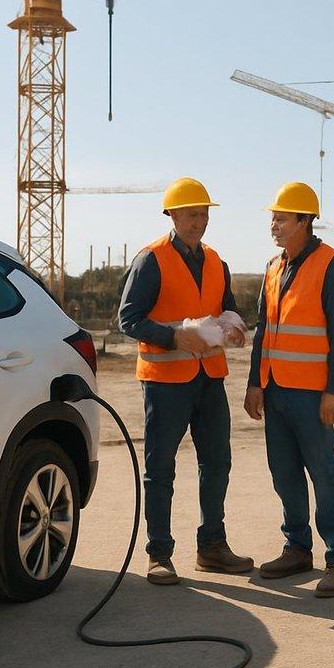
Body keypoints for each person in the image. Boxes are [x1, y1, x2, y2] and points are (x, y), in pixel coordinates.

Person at [118, 177, 253, 585]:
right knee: (161, 468)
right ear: (173, 215)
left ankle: (211, 547)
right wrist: (175, 336)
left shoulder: (216, 262)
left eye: (204, 214)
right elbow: (128, 319)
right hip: (165, 381)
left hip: (209, 378)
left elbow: (225, 308)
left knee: (217, 463)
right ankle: (159, 554)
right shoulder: (151, 260)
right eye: (192, 214)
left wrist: (234, 325)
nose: (200, 222)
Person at [244, 182, 334, 598]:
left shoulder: (333, 266)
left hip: (313, 395)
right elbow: (264, 331)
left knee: (324, 474)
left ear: (305, 221)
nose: (274, 224)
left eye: (282, 218)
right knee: (285, 473)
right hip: (276, 392)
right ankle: (296, 547)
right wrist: (256, 382)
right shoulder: (274, 267)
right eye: (273, 217)